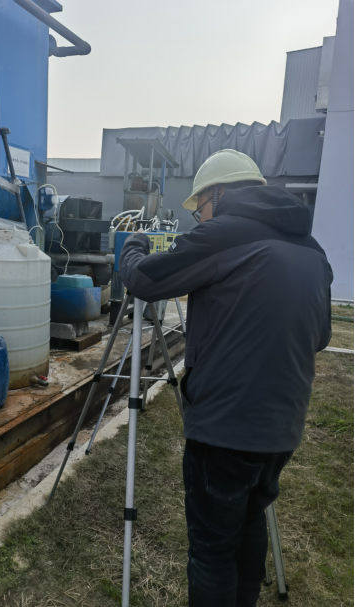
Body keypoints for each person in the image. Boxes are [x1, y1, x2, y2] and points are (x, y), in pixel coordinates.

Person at [119, 149, 333, 607]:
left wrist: (134, 244)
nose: (199, 218)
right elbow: (319, 337)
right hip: (282, 430)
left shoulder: (223, 235)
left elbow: (144, 281)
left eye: (200, 207)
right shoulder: (312, 249)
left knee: (213, 552)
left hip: (224, 431)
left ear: (218, 194)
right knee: (250, 520)